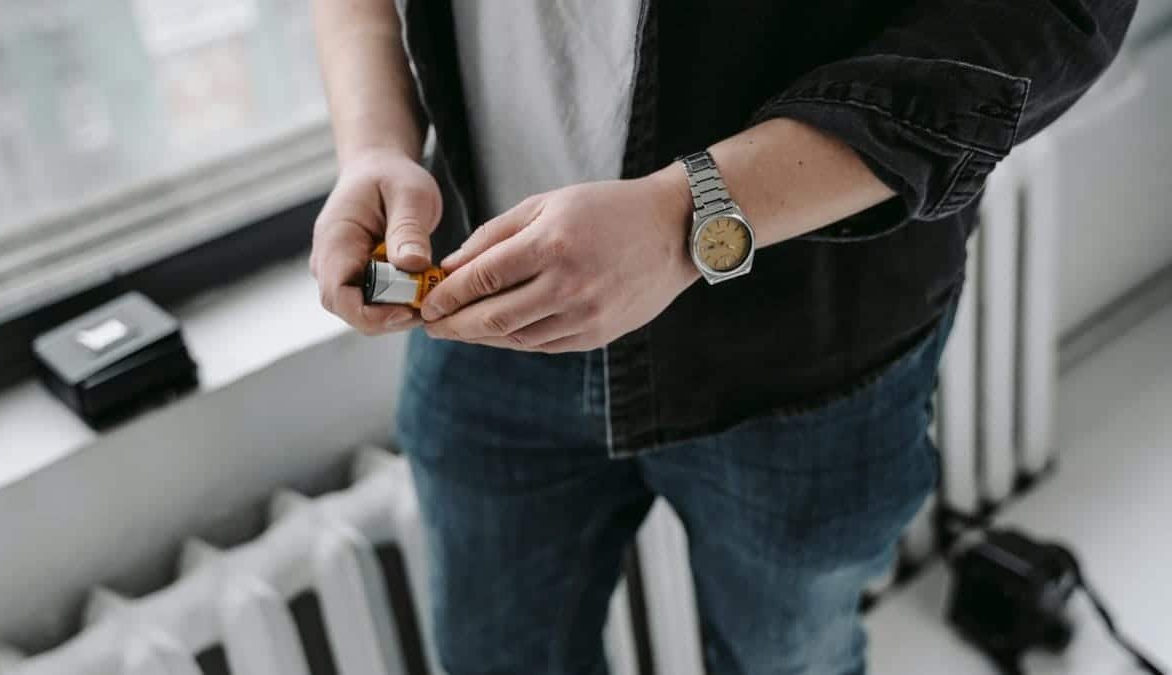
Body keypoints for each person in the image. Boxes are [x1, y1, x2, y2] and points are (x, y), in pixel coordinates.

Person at [308, 2, 1134, 673]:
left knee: (792, 659)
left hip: (811, 338)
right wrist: (375, 143)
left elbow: (1055, 12)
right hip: (481, 312)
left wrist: (689, 215)